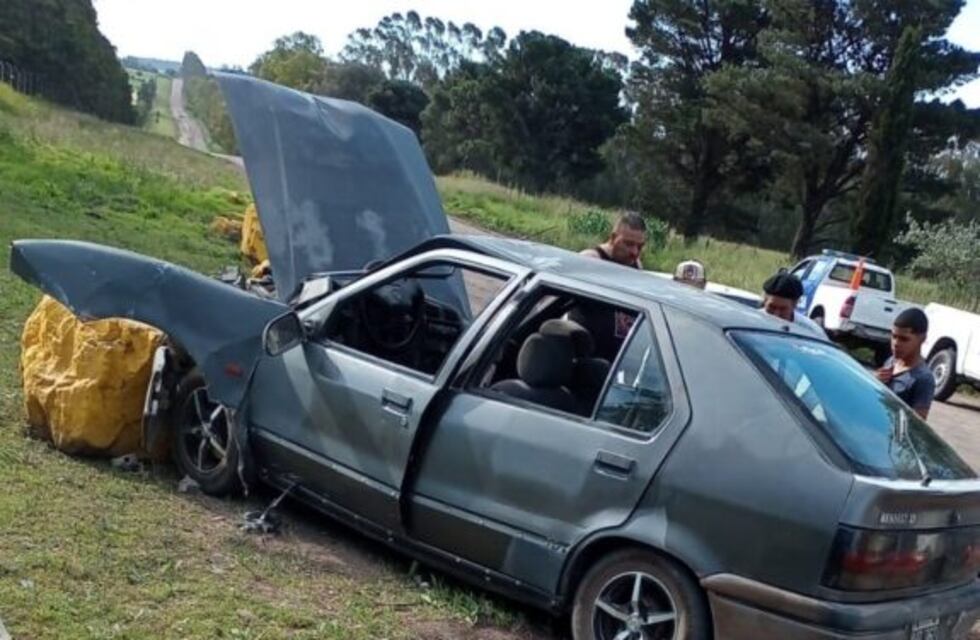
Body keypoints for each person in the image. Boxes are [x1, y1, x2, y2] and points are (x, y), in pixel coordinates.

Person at [876, 308, 935, 420]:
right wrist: (875, 382)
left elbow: (917, 424)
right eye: (894, 336)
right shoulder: (891, 361)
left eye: (904, 339)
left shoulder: (923, 379)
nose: (896, 344)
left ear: (922, 339)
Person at [761, 272, 826, 338]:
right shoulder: (753, 321)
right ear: (764, 301)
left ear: (795, 305)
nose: (776, 314)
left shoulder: (811, 332)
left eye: (783, 309)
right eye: (772, 307)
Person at [579, 212, 647, 269]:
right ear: (613, 238)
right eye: (629, 244)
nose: (634, 252)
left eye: (640, 247)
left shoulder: (636, 265)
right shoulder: (590, 259)